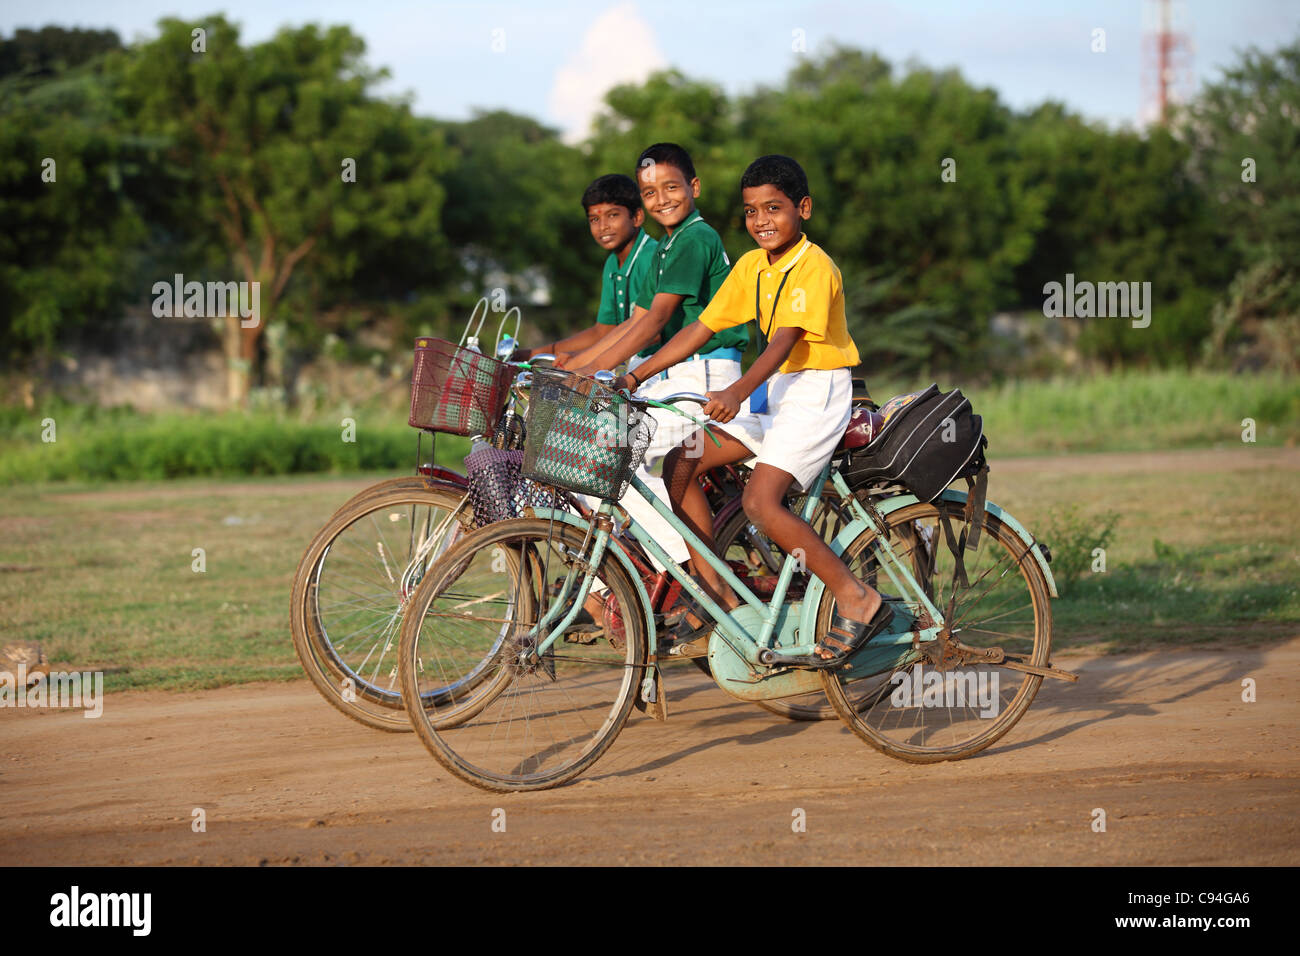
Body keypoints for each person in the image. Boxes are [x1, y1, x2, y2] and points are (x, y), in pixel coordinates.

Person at [614, 154, 891, 664]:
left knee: (761, 504)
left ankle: (857, 596)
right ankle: (714, 591)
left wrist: (738, 391)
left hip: (817, 394)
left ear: (802, 208)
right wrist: (634, 375)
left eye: (774, 208)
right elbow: (701, 330)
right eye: (750, 211)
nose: (761, 220)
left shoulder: (814, 266)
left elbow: (782, 341)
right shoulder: (749, 267)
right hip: (779, 394)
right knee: (679, 461)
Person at [568, 143, 747, 570]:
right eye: (651, 192)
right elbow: (635, 322)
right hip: (679, 375)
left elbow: (654, 322)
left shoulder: (695, 238)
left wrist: (595, 371)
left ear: (695, 187)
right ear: (644, 204)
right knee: (603, 451)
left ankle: (685, 571)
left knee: (611, 456)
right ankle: (667, 571)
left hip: (705, 374)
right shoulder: (669, 245)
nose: (662, 198)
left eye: (672, 187)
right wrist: (574, 369)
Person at [518, 174, 657, 364]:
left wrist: (585, 358)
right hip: (638, 364)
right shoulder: (612, 264)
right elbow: (603, 331)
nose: (603, 227)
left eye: (613, 215)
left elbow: (655, 329)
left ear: (637, 217)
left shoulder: (652, 257)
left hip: (673, 367)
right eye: (594, 219)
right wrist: (535, 353)